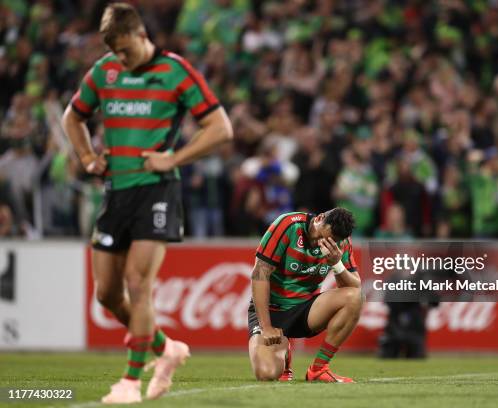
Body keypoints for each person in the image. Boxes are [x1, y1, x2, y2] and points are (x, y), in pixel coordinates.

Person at [61, 3, 233, 403]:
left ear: (142, 36)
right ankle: (164, 348)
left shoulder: (175, 71)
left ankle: (129, 381)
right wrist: (87, 157)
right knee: (106, 294)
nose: (121, 58)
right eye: (115, 52)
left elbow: (220, 128)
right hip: (115, 192)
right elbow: (74, 116)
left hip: (157, 190)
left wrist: (174, 158)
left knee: (139, 284)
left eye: (126, 49)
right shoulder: (103, 72)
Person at [248, 208, 363, 382]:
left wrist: (337, 264)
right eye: (321, 237)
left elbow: (354, 286)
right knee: (266, 374)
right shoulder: (288, 225)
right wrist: (266, 326)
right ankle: (284, 352)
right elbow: (260, 273)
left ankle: (318, 369)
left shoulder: (341, 243)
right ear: (320, 218)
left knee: (356, 297)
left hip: (306, 310)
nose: (320, 244)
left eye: (329, 241)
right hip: (272, 311)